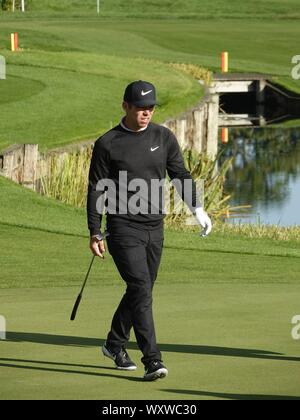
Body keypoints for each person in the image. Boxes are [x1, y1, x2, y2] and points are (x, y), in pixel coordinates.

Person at [87, 80, 212, 381]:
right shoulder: (108, 143)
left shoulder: (163, 137)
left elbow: (179, 175)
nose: (146, 113)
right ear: (125, 106)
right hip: (122, 226)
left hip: (155, 226)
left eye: (151, 108)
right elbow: (95, 188)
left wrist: (197, 209)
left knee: (141, 289)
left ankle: (114, 344)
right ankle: (152, 360)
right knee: (141, 288)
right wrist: (94, 230)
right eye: (141, 108)